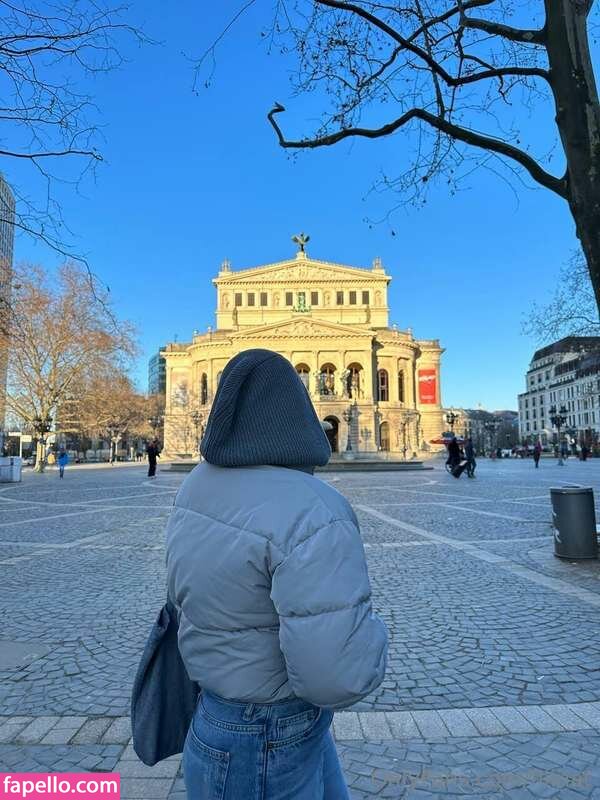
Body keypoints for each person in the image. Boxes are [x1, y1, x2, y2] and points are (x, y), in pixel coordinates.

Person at [166, 349, 387, 800]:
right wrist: (378, 636)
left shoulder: (195, 486)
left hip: (212, 716)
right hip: (275, 731)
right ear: (298, 414)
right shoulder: (313, 508)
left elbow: (183, 595)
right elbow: (335, 673)